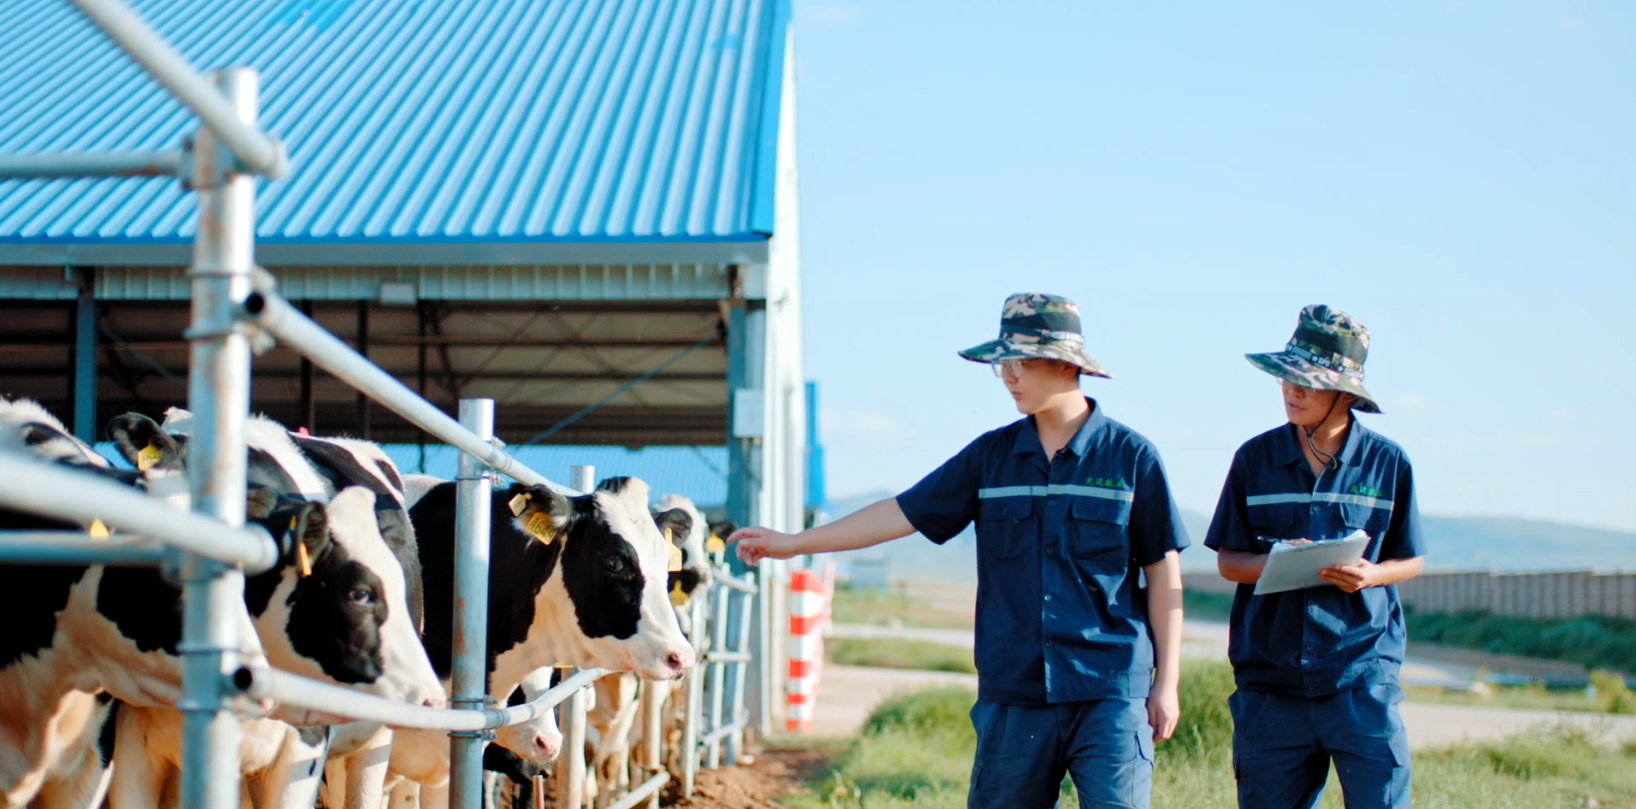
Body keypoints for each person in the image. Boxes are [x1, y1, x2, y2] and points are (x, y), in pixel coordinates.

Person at [732, 292, 1188, 809]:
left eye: (1018, 362)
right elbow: (902, 512)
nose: (1008, 377)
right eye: (1002, 367)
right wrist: (794, 544)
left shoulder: (1131, 459)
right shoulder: (992, 457)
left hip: (1109, 690)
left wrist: (1165, 683)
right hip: (1014, 691)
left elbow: (1164, 575)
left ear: (1063, 364)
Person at [1205, 304, 1425, 809]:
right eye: (1286, 378)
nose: (1291, 390)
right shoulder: (1254, 460)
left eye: (1307, 381)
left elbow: (1410, 559)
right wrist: (1282, 562)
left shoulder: (1388, 463)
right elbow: (1229, 561)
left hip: (1361, 676)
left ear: (1345, 393)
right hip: (1271, 680)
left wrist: (1369, 575)